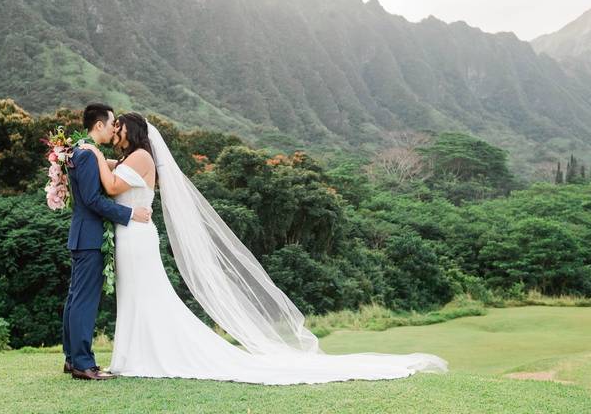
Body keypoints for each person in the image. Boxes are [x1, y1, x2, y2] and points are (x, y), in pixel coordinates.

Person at [80, 112, 448, 384]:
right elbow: (112, 173)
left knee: (148, 295)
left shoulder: (141, 156)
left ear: (134, 132)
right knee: (134, 296)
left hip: (137, 237)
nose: (116, 132)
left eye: (121, 128)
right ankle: (131, 355)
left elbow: (111, 186)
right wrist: (90, 155)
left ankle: (143, 356)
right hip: (129, 233)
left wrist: (93, 154)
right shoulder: (129, 158)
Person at [62, 103, 152, 381]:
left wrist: (102, 156)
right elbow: (93, 199)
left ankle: (72, 359)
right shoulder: (88, 155)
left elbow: (114, 172)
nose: (115, 128)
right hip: (90, 236)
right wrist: (129, 213)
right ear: (99, 125)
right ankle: (83, 364)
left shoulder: (81, 150)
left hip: (82, 234)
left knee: (75, 298)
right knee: (84, 301)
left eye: (119, 125)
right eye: (112, 123)